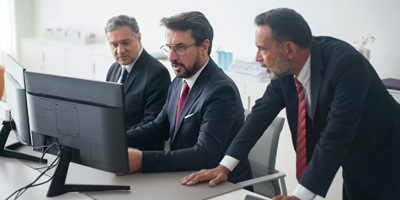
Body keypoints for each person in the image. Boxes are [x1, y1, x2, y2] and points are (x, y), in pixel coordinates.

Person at [181, 8, 400, 200]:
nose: (257, 57)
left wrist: (299, 196)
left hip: (389, 161)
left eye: (263, 49)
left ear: (289, 50)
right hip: (354, 166)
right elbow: (259, 115)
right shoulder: (286, 70)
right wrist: (224, 166)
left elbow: (336, 134)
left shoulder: (347, 65)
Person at [122, 11, 251, 184]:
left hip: (220, 186)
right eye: (169, 47)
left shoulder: (221, 90)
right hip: (183, 178)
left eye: (180, 47)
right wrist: (120, 138)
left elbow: (204, 155)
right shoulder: (179, 80)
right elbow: (159, 127)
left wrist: (142, 160)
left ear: (204, 46)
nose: (171, 57)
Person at [105, 15, 171, 150]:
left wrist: (115, 138)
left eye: (125, 42)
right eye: (114, 44)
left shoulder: (157, 73)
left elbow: (152, 124)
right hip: (114, 147)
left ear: (138, 38)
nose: (120, 50)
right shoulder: (114, 68)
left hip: (140, 151)